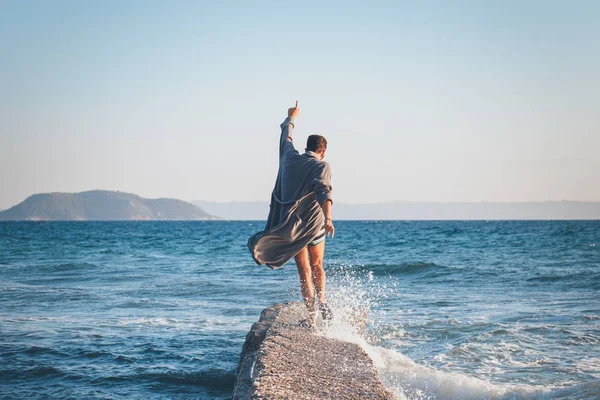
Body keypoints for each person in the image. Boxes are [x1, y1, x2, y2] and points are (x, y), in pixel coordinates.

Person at [248, 101, 335, 327]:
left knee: (304, 271)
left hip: (291, 229)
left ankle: (312, 318)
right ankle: (323, 300)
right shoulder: (322, 166)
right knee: (317, 265)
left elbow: (286, 137)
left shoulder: (289, 157)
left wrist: (291, 117)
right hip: (314, 226)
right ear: (323, 151)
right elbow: (324, 190)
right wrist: (328, 218)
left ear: (307, 147)